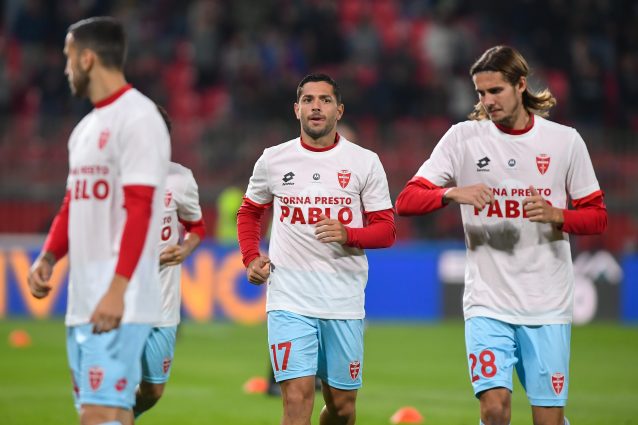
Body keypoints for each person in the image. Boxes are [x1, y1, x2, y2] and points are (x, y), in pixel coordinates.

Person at [396, 45, 607, 425]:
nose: (487, 100)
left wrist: (558, 215)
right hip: (487, 303)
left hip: (547, 304)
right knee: (494, 410)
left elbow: (597, 218)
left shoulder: (564, 141)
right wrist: (451, 193)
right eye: (481, 93)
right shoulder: (463, 138)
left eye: (496, 90)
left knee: (547, 419)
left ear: (521, 84)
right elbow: (406, 201)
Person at [26, 17, 170, 425]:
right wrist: (49, 256)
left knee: (97, 415)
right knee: (113, 413)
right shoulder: (84, 130)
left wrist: (117, 290)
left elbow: (140, 209)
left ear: (87, 59)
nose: (65, 68)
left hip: (119, 298)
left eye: (68, 57)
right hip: (84, 299)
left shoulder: (139, 118)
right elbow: (73, 203)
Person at [237, 73, 395, 425]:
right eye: (308, 100)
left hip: (343, 300)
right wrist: (250, 257)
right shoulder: (274, 160)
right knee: (296, 402)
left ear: (339, 110)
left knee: (342, 408)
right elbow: (249, 212)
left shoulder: (364, 161)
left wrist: (349, 233)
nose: (316, 106)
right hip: (289, 300)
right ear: (297, 109)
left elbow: (386, 231)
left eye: (325, 100)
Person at [134, 107, 206, 417]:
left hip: (162, 304)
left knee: (153, 390)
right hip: (120, 301)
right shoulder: (113, 176)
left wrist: (185, 249)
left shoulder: (180, 178)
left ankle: (126, 416)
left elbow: (196, 226)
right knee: (115, 384)